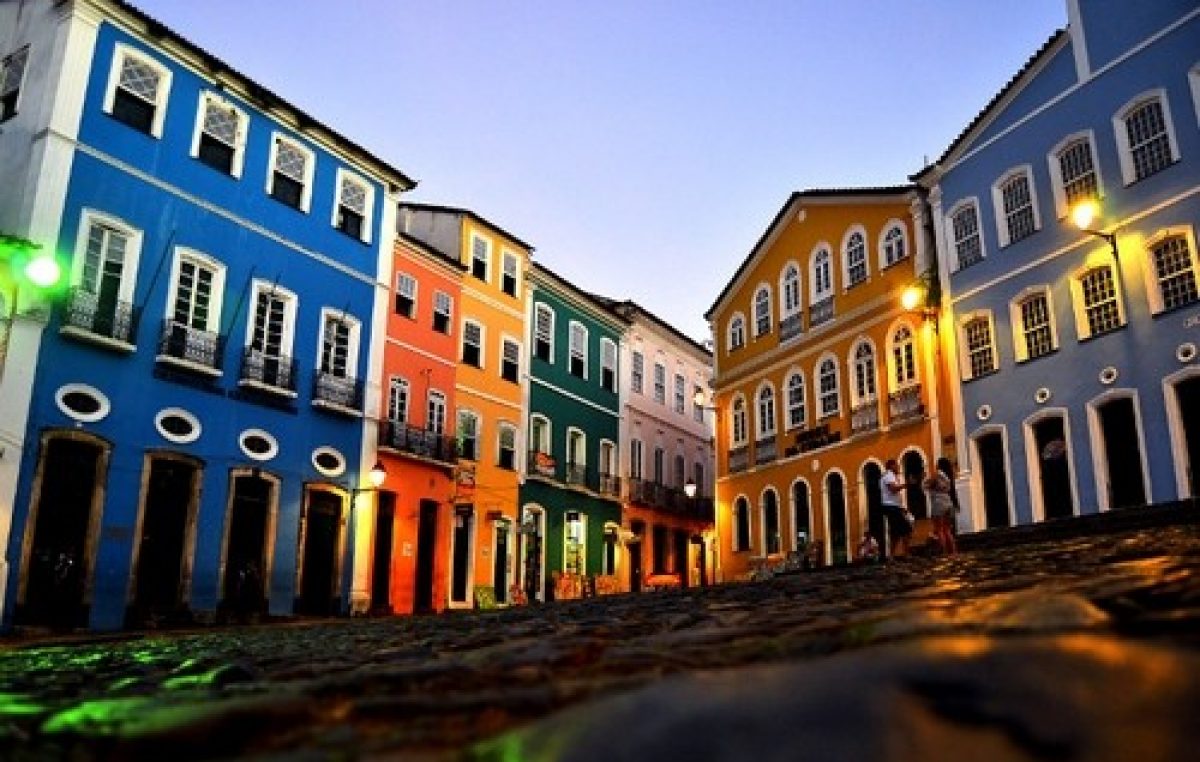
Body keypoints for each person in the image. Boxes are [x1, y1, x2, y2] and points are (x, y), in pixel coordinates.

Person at [924, 460, 958, 555]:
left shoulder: (937, 474)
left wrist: (926, 481)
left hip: (938, 503)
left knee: (939, 530)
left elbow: (926, 485)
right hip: (948, 502)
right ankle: (954, 552)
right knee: (947, 530)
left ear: (939, 465)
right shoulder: (948, 476)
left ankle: (944, 552)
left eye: (937, 463)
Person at [880, 458, 912, 557]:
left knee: (896, 532)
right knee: (906, 529)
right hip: (891, 507)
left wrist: (901, 508)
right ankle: (904, 553)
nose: (898, 467)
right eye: (896, 465)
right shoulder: (889, 475)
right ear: (891, 466)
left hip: (893, 506)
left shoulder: (888, 476)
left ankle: (893, 555)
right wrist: (907, 484)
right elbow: (893, 489)